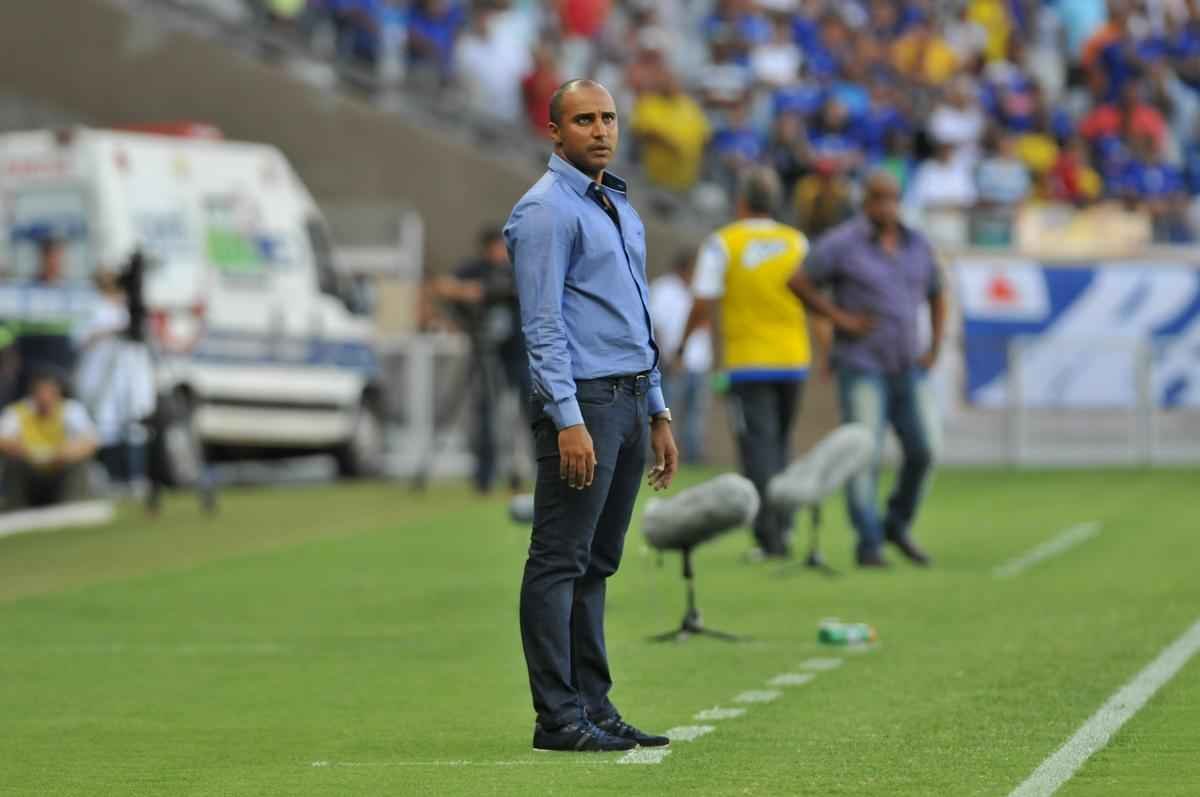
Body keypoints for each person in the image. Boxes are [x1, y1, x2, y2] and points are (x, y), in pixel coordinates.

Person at [504, 78, 676, 753]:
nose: (600, 130)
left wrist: (657, 407)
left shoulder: (616, 204)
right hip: (588, 402)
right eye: (584, 120)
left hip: (631, 398)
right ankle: (557, 717)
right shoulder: (546, 211)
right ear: (555, 132)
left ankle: (594, 705)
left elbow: (635, 317)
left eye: (607, 117)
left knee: (596, 562)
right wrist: (568, 417)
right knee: (558, 560)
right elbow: (542, 326)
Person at [788, 170, 945, 569]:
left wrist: (936, 345)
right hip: (862, 364)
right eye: (879, 199)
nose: (887, 207)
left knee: (923, 450)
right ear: (865, 201)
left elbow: (937, 292)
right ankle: (869, 541)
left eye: (893, 198)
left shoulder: (917, 243)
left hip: (906, 362)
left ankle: (896, 522)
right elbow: (799, 281)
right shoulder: (842, 243)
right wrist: (841, 320)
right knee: (865, 454)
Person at [677, 167, 813, 560]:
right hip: (793, 359)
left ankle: (770, 538)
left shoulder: (724, 243)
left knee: (758, 451)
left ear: (740, 201)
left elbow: (703, 300)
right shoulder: (796, 242)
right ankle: (783, 527)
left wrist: (684, 344)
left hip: (748, 362)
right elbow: (813, 296)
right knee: (780, 448)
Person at [428, 227, 530, 494]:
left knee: (527, 409)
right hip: (483, 349)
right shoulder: (475, 269)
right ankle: (484, 477)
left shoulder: (518, 270)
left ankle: (521, 471)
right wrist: (469, 292)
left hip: (515, 353)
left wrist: (492, 291)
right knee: (485, 411)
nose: (500, 254)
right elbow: (442, 285)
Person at [74, 267, 155, 492]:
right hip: (102, 376)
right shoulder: (93, 307)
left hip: (129, 375)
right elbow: (82, 338)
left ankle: (136, 476)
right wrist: (111, 331)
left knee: (134, 424)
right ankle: (110, 475)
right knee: (105, 424)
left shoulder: (129, 307)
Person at [0, 367, 98, 509]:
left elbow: (91, 441)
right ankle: (15, 507)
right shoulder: (17, 412)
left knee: (77, 464)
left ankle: (72, 507)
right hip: (29, 472)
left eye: (49, 393)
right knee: (13, 464)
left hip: (60, 470)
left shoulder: (71, 410)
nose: (45, 398)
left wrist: (66, 453)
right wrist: (20, 450)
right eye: (41, 393)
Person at [649, 248, 712, 464]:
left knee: (696, 412)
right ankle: (663, 455)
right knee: (667, 412)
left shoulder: (699, 289)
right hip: (672, 362)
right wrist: (665, 359)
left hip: (699, 363)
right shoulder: (662, 289)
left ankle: (693, 457)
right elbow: (654, 326)